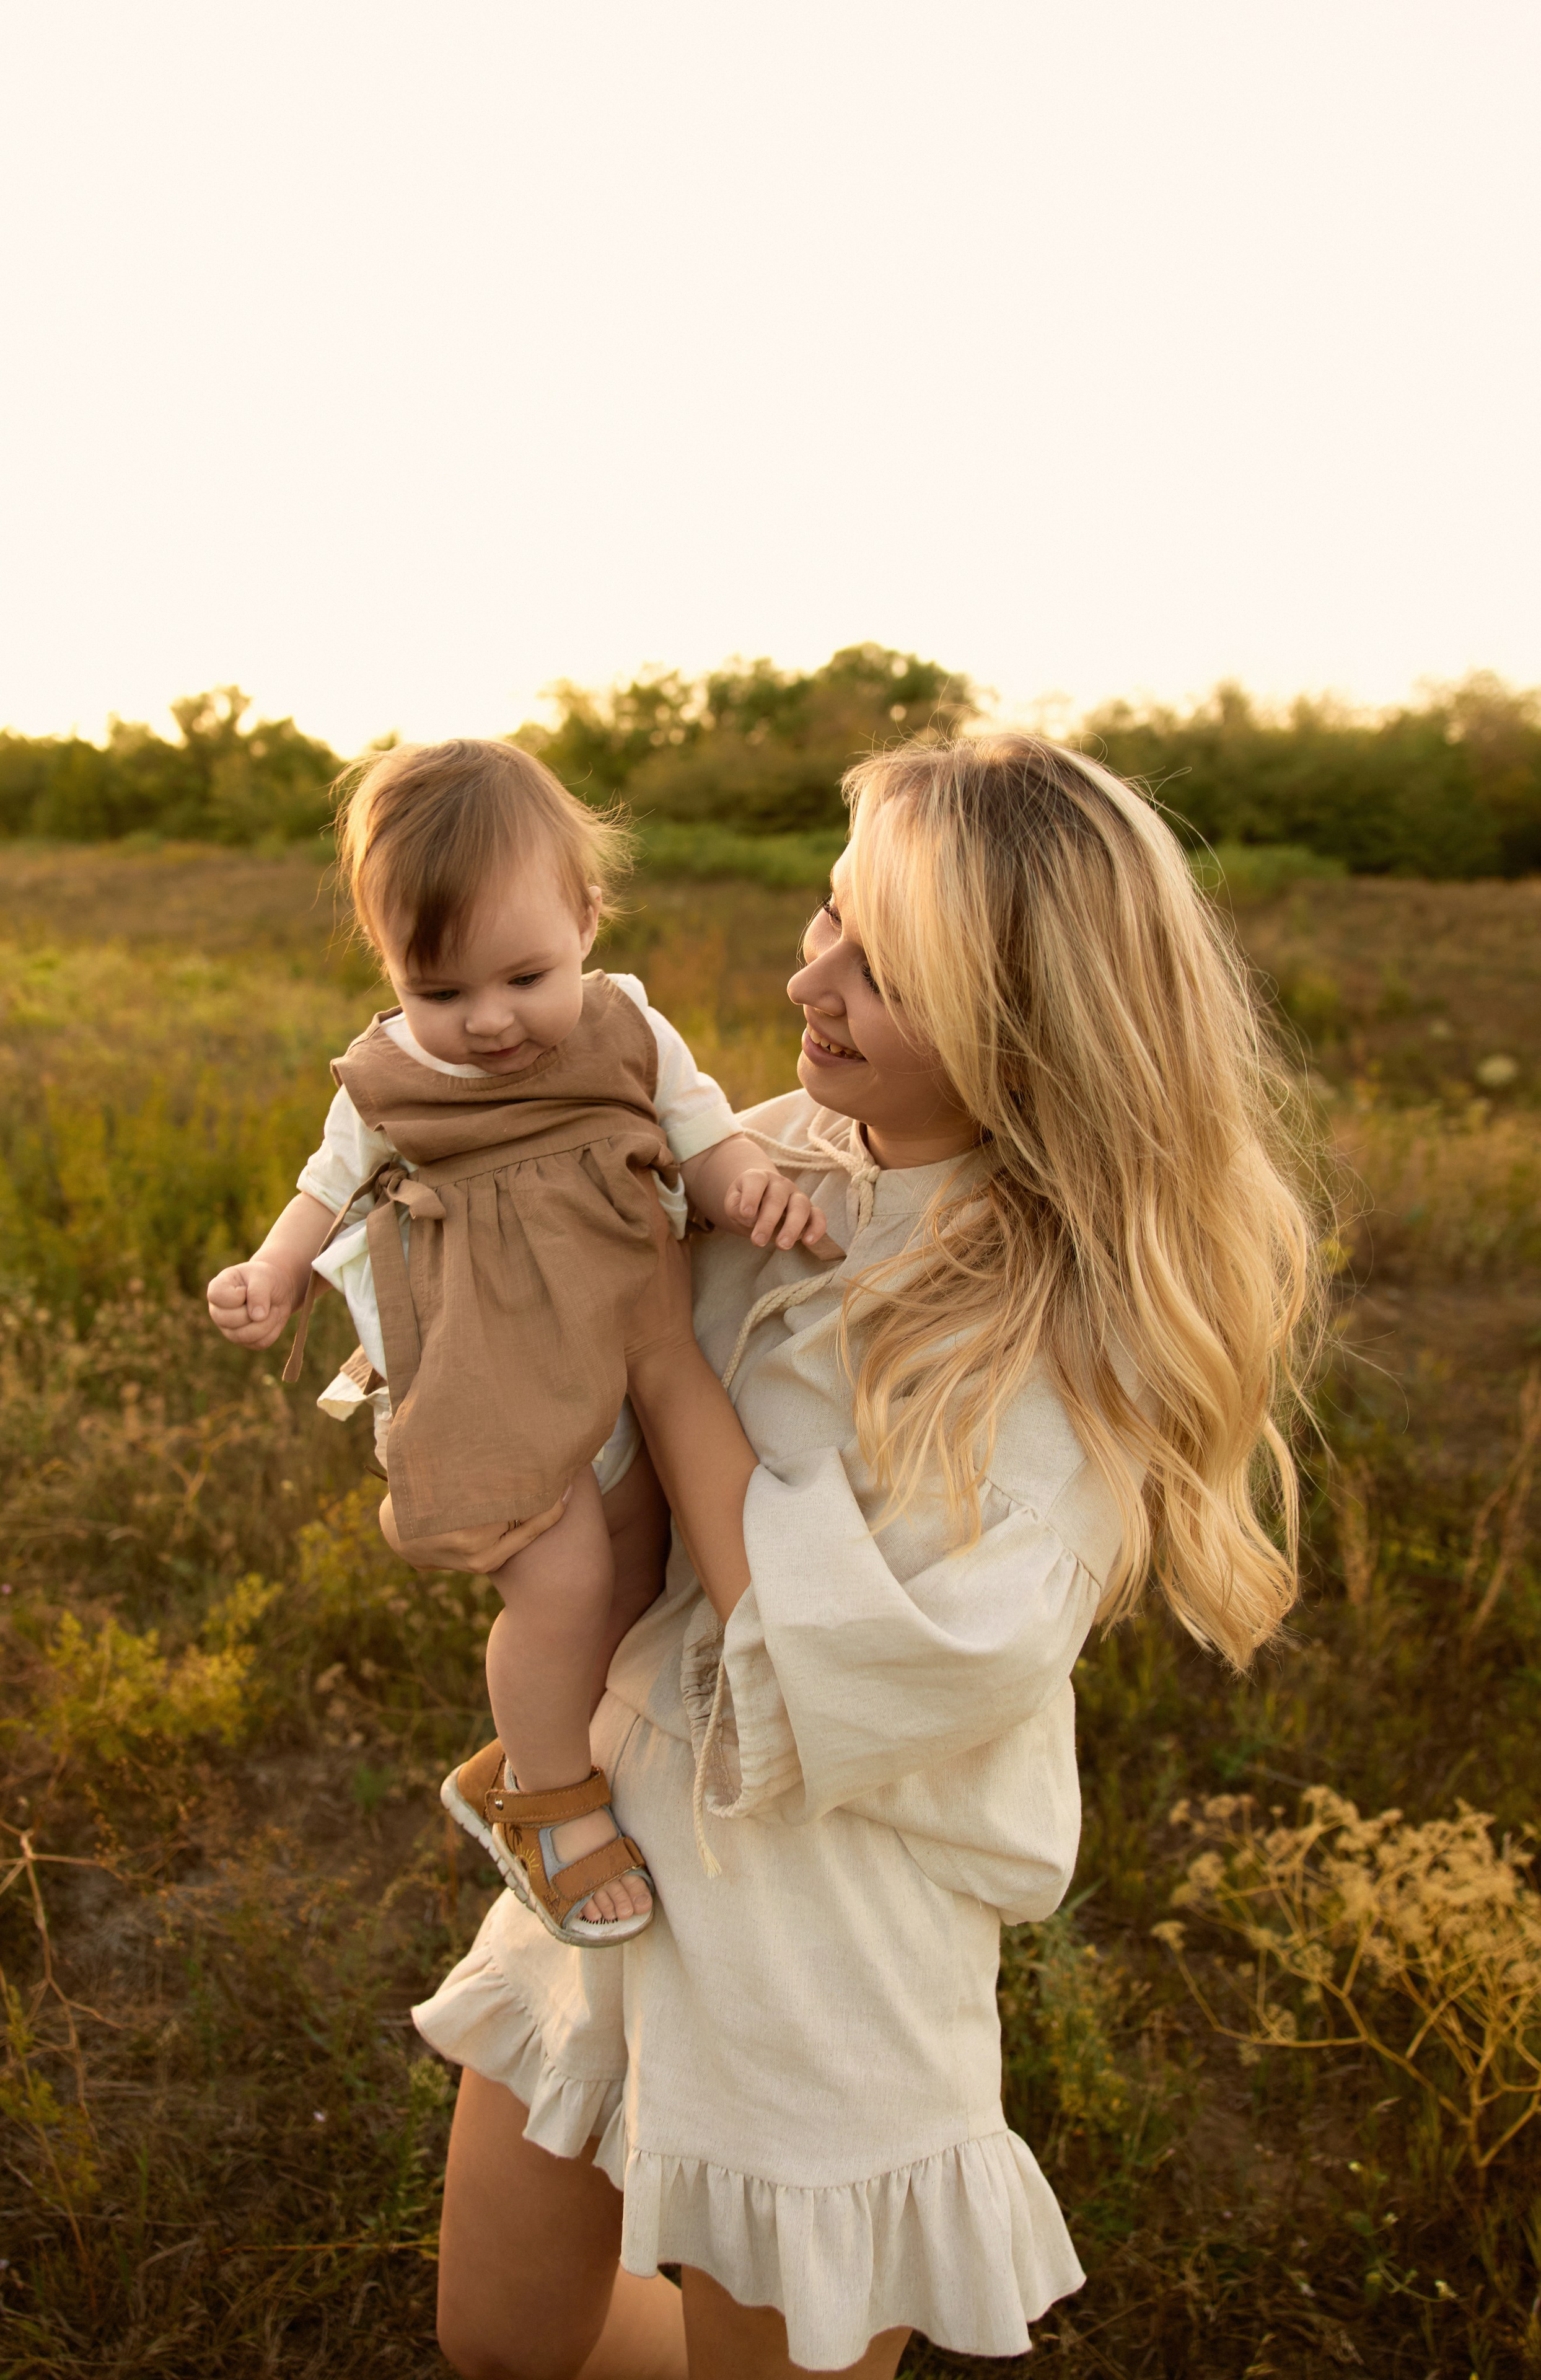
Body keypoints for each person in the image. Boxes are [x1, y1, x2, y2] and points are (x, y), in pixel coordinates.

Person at [409, 733, 1324, 2376]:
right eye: (830, 917)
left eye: (878, 965)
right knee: (501, 2335)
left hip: (826, 1936)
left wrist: (663, 1354)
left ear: (1024, 1026)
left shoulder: (1062, 1345)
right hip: (626, 1832)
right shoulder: (783, 1149)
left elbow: (840, 1649)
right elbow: (572, 1366)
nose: (806, 973)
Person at [205, 739, 827, 1941]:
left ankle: (542, 1753)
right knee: (562, 1580)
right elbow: (322, 1190)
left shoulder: (628, 1028)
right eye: (438, 993)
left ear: (586, 919)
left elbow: (706, 1138)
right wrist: (273, 1271)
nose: (486, 1022)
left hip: (620, 1372)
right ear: (388, 970)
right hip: (483, 1372)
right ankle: (552, 1806)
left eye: (521, 978)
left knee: (638, 1572)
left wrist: (751, 1185)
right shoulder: (387, 1080)